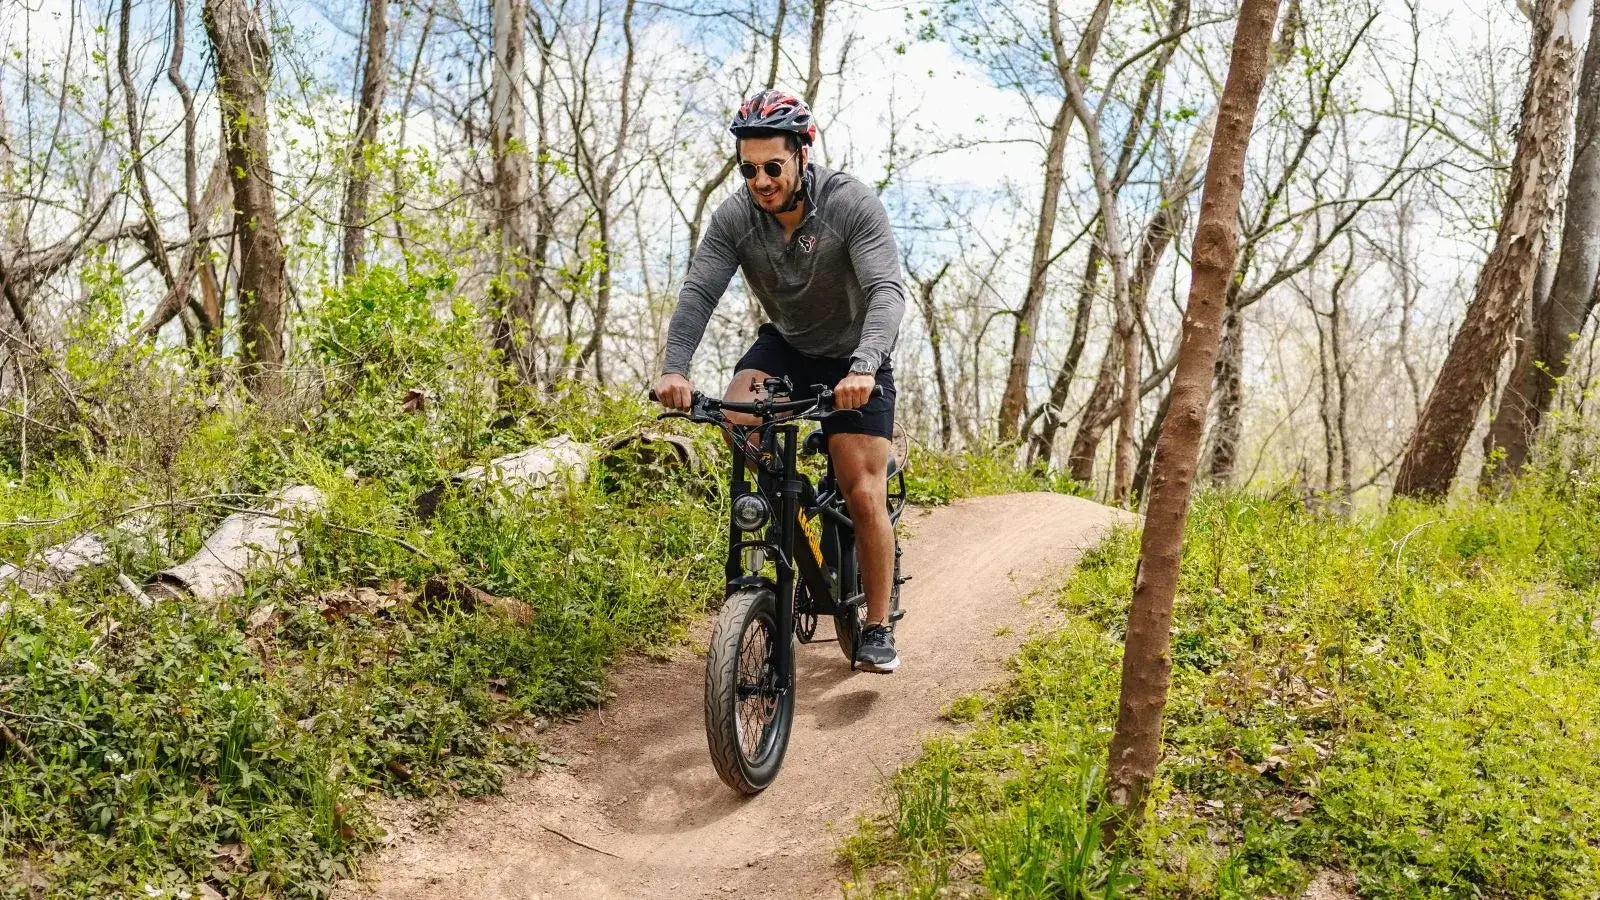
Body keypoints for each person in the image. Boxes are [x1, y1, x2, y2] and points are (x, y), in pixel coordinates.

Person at [652, 89, 907, 673]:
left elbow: (886, 293)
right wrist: (675, 368)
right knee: (737, 415)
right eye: (749, 169)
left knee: (861, 489)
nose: (761, 181)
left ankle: (874, 625)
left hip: (854, 360)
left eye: (773, 167)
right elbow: (699, 291)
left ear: (801, 154)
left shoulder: (850, 205)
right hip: (787, 345)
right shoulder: (737, 217)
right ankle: (783, 534)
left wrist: (864, 367)